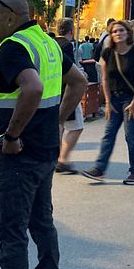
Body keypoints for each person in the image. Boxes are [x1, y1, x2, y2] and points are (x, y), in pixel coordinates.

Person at [0, 0, 82, 269]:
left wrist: (11, 135)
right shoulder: (47, 43)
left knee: (11, 229)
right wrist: (57, 121)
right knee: (42, 222)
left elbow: (33, 88)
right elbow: (79, 81)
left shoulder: (13, 47)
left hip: (18, 155)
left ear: (10, 15)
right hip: (45, 150)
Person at [81, 20, 134, 184]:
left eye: (121, 30)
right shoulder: (108, 53)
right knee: (108, 135)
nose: (118, 34)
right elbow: (104, 78)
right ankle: (99, 169)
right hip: (115, 99)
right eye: (115, 31)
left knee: (131, 135)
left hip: (131, 100)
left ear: (128, 33)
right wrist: (108, 102)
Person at [54, 17, 87, 174]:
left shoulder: (51, 42)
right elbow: (69, 69)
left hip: (53, 90)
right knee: (76, 127)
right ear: (71, 30)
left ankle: (55, 157)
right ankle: (63, 159)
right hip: (68, 89)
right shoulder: (67, 45)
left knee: (59, 124)